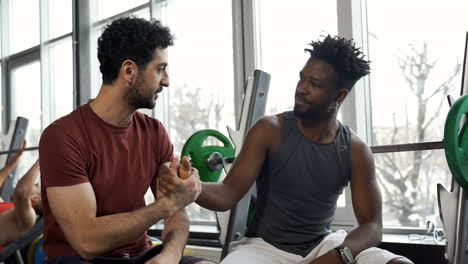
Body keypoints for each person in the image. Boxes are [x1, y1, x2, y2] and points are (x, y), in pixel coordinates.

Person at [168, 35, 413, 264]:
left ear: (339, 95)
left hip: (323, 245)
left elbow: (372, 226)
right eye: (301, 78)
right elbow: (228, 194)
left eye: (314, 84)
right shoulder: (269, 129)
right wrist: (191, 185)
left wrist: (340, 255)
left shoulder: (356, 151)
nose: (301, 88)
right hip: (263, 248)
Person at [39, 17, 212, 264]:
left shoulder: (154, 132)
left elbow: (177, 214)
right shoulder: (63, 136)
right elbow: (86, 241)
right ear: (129, 71)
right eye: (160, 69)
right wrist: (170, 204)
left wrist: (170, 256)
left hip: (140, 254)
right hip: (81, 260)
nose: (167, 81)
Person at [0, 147, 41, 250]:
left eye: (35, 185)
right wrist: (12, 163)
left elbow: (21, 191)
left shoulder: (28, 220)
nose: (34, 183)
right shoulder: (9, 209)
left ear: (34, 198)